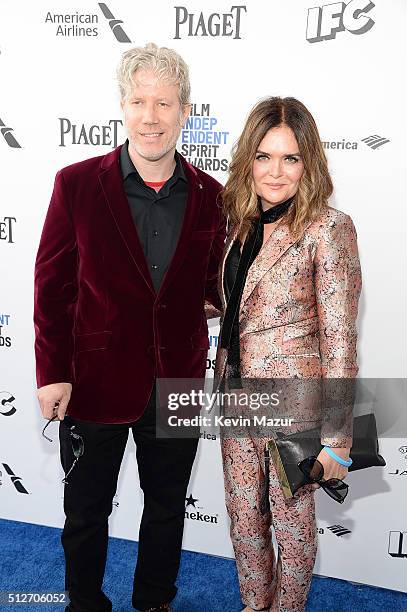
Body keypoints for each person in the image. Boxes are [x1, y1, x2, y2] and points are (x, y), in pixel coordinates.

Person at [34, 43, 225, 612]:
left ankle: (154, 600)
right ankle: (85, 602)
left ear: (185, 110)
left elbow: (213, 287)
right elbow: (52, 288)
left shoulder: (213, 196)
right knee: (86, 509)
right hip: (93, 377)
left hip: (181, 379)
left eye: (164, 103)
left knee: (167, 505)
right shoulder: (75, 184)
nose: (151, 116)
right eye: (139, 101)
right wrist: (52, 373)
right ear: (122, 105)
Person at [213, 97, 362, 611]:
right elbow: (235, 308)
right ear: (247, 161)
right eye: (264, 156)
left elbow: (341, 340)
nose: (275, 171)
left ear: (309, 163)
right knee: (243, 516)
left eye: (290, 158)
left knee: (292, 526)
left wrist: (338, 438)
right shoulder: (239, 223)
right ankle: (254, 604)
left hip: (294, 406)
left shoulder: (328, 228)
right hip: (235, 398)